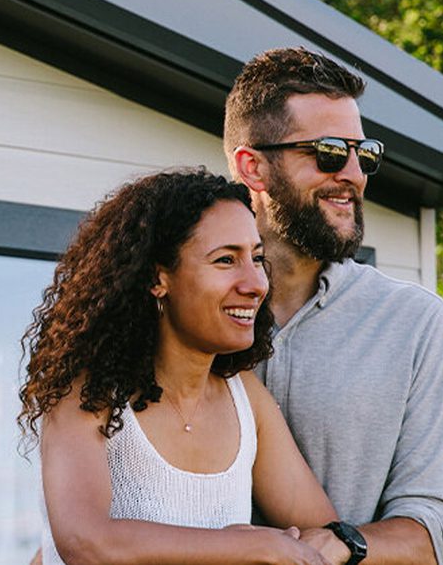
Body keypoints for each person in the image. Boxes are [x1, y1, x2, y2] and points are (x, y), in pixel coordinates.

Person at [19, 168, 358, 565]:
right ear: (157, 277)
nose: (255, 283)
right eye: (226, 260)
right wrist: (250, 545)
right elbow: (86, 542)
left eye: (257, 258)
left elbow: (323, 530)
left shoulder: (245, 396)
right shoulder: (90, 392)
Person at [223, 47, 443, 565]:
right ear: (253, 166)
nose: (354, 175)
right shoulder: (186, 306)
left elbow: (434, 526)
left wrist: (343, 544)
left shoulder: (416, 323)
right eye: (330, 152)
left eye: (366, 154)